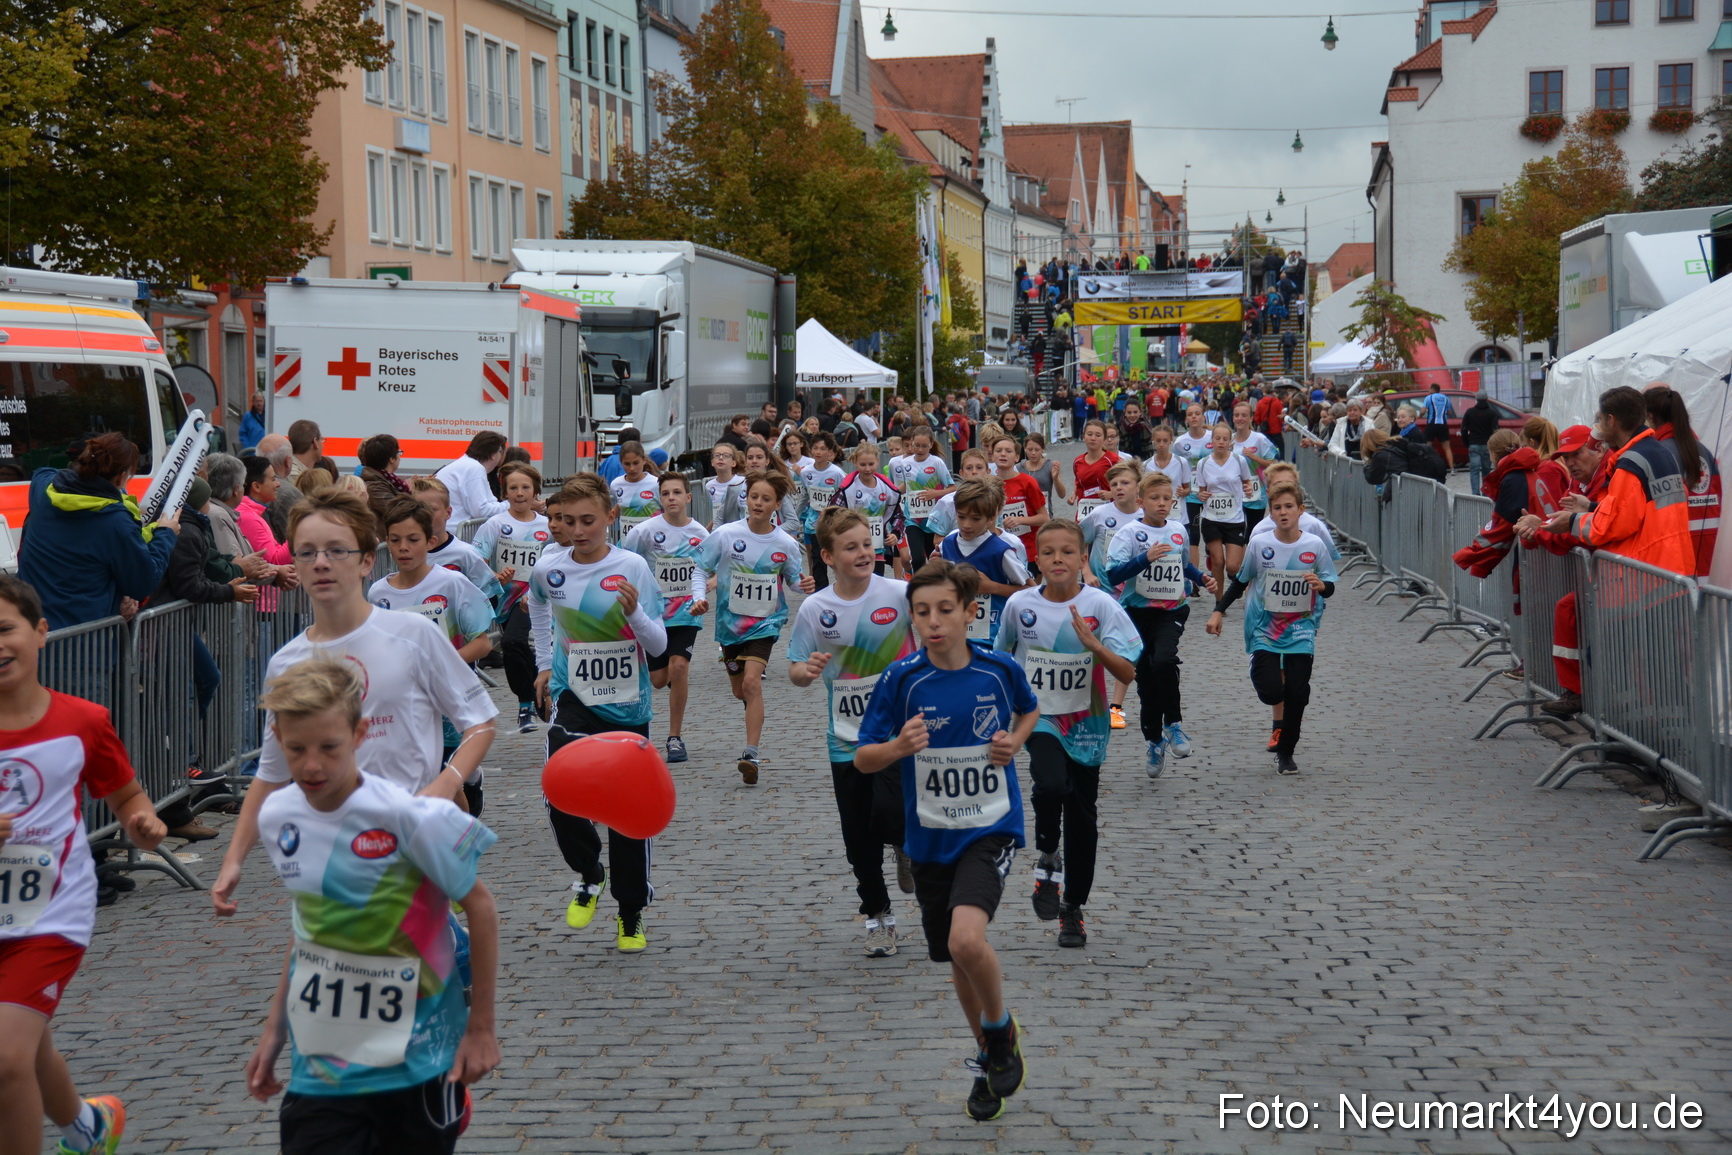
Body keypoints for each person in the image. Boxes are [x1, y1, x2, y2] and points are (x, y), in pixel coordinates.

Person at [244, 658, 501, 1153]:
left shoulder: (407, 815)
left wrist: (482, 1030)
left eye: (329, 747)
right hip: (322, 1065)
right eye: (296, 749)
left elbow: (481, 908)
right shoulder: (277, 816)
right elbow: (308, 928)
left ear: (360, 733)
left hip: (419, 1062)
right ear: (276, 739)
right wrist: (275, 1030)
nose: (312, 764)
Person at [210, 489, 499, 918]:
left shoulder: (413, 635)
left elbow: (481, 723)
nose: (321, 562)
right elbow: (269, 776)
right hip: (332, 856)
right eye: (306, 553)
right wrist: (233, 859)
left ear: (366, 560)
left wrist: (444, 785)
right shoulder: (286, 662)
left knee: (428, 968)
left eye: (336, 550)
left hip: (411, 847)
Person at [853, 559, 1039, 1122]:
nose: (934, 622)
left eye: (945, 610)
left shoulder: (998, 669)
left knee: (965, 940)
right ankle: (987, 1055)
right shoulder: (902, 679)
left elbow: (1029, 711)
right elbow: (863, 757)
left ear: (969, 611)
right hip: (929, 837)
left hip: (990, 826)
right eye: (922, 613)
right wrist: (897, 749)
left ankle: (1000, 1031)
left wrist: (1013, 743)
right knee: (956, 960)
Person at [0, 574, 166, 1155]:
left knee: (6, 1058)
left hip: (51, 911)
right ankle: (88, 1129)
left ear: (40, 633)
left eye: (4, 630)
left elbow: (124, 795)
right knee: (26, 1041)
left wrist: (142, 821)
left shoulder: (83, 720)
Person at [528, 474, 667, 951]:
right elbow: (538, 605)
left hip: (628, 703)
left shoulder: (632, 567)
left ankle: (631, 914)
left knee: (628, 812)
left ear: (611, 517)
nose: (579, 530)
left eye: (589, 520)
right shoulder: (550, 569)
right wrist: (546, 663)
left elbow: (659, 644)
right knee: (557, 788)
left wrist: (634, 616)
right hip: (573, 697)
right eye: (568, 521)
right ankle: (590, 872)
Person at [994, 522, 1140, 951]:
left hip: (1088, 723)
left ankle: (1072, 908)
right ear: (1036, 559)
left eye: (1067, 552)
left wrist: (1095, 646)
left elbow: (1128, 671)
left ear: (1082, 560)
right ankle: (1046, 857)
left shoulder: (1102, 604)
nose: (1058, 559)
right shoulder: (1020, 605)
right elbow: (1000, 659)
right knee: (1050, 782)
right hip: (1038, 717)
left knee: (1082, 816)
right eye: (1049, 552)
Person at [788, 508, 916, 957]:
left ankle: (904, 843)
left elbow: (936, 631)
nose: (864, 553)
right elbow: (795, 668)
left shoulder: (899, 594)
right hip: (845, 737)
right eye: (851, 547)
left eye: (867, 543)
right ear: (827, 556)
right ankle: (878, 914)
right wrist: (808, 670)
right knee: (858, 835)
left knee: (892, 810)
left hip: (899, 733)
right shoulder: (816, 608)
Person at [1533, 387, 1695, 718]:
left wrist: (1573, 521)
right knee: (1665, 667)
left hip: (1645, 578)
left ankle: (1657, 741)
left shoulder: (1631, 463)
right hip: (1672, 570)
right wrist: (1592, 506)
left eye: (1599, 418)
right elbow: (1638, 512)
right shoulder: (1659, 452)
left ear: (1612, 420)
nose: (1597, 426)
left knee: (1651, 670)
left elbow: (1612, 527)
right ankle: (1664, 734)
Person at [369, 496, 496, 811]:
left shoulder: (451, 583)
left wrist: (439, 664)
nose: (404, 548)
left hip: (449, 698)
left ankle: (470, 783)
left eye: (413, 540)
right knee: (433, 777)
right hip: (407, 705)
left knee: (449, 776)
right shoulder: (378, 593)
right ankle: (452, 838)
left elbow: (484, 643)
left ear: (431, 541)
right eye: (395, 540)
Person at [1205, 481, 1337, 775]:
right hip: (1265, 628)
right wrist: (1218, 611)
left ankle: (1287, 753)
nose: (1283, 512)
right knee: (1271, 691)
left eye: (1289, 506)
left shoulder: (1313, 546)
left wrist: (1322, 585)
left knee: (1298, 694)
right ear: (1271, 514)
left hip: (1301, 628)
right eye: (1277, 508)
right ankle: (1258, 669)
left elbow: (1330, 585)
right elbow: (1241, 581)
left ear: (1300, 510)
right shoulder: (1260, 544)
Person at [694, 470, 804, 785]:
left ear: (777, 505)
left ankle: (751, 753)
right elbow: (700, 568)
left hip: (766, 624)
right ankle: (750, 709)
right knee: (739, 689)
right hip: (729, 627)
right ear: (746, 498)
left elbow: (794, 582)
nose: (758, 503)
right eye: (754, 496)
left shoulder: (785, 543)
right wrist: (699, 597)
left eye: (766, 499)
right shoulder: (727, 534)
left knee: (753, 683)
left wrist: (803, 584)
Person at [1104, 471, 1216, 775]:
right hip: (1136, 615)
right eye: (1155, 498)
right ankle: (1154, 742)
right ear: (1141, 502)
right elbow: (1112, 575)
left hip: (1171, 610)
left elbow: (1183, 565)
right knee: (1147, 682)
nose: (1162, 503)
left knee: (1164, 661)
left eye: (1167, 498)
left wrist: (1201, 578)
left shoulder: (1179, 530)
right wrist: (1145, 559)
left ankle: (1174, 725)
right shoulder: (1128, 534)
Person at [18, 432, 179, 631]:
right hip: (85, 644)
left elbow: (44, 472)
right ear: (121, 476)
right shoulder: (115, 522)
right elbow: (143, 582)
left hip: (33, 633)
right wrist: (166, 533)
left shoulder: (43, 489)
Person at [621, 472, 709, 764]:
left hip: (686, 614)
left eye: (676, 492)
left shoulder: (700, 534)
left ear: (688, 497)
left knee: (679, 667)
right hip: (654, 614)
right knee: (659, 679)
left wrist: (704, 591)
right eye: (666, 493)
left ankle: (674, 737)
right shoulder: (645, 531)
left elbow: (714, 568)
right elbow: (623, 562)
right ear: (660, 498)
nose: (671, 498)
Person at [471, 463, 551, 734]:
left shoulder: (547, 526)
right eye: (513, 488)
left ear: (535, 491)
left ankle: (527, 704)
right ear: (504, 492)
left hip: (535, 598)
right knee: (516, 648)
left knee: (513, 641)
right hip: (506, 599)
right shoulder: (496, 524)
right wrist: (495, 576)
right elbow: (476, 560)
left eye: (525, 487)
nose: (519, 493)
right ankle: (535, 696)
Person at [1078, 461, 1142, 728]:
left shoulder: (1145, 516)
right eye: (1114, 484)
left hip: (1132, 594)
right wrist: (1085, 570)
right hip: (1099, 590)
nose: (1118, 488)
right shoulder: (1100, 514)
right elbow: (1079, 540)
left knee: (1123, 650)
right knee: (1091, 647)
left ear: (1138, 486)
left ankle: (1116, 709)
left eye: (1125, 483)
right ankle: (1089, 702)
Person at [940, 480, 1032, 646]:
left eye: (975, 519)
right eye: (961, 517)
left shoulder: (1001, 551)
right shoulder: (947, 544)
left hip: (991, 642)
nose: (967, 524)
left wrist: (992, 587)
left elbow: (1031, 591)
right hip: (954, 639)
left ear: (990, 519)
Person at [1645, 385, 1721, 577]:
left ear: (1651, 417)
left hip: (1680, 551)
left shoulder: (1661, 453)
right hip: (1711, 549)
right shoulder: (1702, 449)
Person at [1195, 422, 1255, 595]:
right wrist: (1202, 496)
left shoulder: (1239, 460)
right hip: (1211, 518)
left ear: (1230, 442)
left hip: (1234, 518)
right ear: (1212, 441)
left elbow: (1247, 481)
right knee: (1218, 561)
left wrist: (1248, 488)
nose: (1221, 442)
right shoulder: (1203, 463)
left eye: (1225, 439)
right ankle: (1219, 602)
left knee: (1232, 566)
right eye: (1217, 438)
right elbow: (1201, 492)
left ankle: (1238, 579)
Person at [833, 443, 902, 574]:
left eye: (871, 464)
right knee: (857, 587)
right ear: (855, 463)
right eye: (863, 465)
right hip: (853, 547)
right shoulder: (847, 488)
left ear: (878, 461)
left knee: (876, 586)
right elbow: (833, 514)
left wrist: (895, 534)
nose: (867, 469)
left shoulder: (886, 488)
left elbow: (898, 515)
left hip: (877, 547)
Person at [898, 426, 955, 572]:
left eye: (924, 446)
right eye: (917, 445)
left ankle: (935, 586)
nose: (920, 449)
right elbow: (907, 485)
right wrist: (893, 493)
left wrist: (935, 494)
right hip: (913, 518)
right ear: (911, 443)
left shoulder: (937, 463)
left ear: (931, 444)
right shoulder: (905, 463)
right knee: (916, 559)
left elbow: (952, 488)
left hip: (932, 519)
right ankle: (918, 588)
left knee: (933, 558)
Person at [798, 433, 848, 591]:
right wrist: (795, 515)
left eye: (823, 449)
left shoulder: (837, 473)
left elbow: (846, 498)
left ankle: (844, 588)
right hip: (814, 525)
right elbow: (805, 496)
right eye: (815, 448)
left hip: (833, 526)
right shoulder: (806, 472)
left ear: (830, 452)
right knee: (818, 561)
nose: (818, 452)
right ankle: (820, 593)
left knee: (836, 559)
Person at [434, 432, 511, 524]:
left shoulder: (468, 466)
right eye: (501, 452)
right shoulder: (474, 468)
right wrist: (512, 505)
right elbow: (481, 510)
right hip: (457, 532)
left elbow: (489, 503)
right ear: (493, 455)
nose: (502, 457)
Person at [1230, 401, 1279, 534]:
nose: (1240, 418)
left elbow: (1274, 463)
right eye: (1237, 415)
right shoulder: (1229, 440)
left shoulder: (1259, 439)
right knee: (1237, 532)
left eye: (1244, 415)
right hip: (1234, 492)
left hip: (1257, 493)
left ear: (1251, 418)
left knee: (1253, 531)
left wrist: (1254, 457)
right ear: (1233, 418)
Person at [608, 441, 663, 538]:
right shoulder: (616, 484)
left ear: (644, 460)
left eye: (636, 463)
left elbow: (668, 511)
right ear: (621, 462)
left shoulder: (656, 483)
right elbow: (622, 504)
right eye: (627, 464)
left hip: (652, 542)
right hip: (627, 543)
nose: (632, 468)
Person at [359, 434, 411, 532]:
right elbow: (398, 511)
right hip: (383, 543)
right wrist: (415, 493)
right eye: (398, 453)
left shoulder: (387, 479)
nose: (400, 457)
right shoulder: (375, 485)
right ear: (391, 459)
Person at [1070, 421, 1120, 520]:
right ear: (1083, 437)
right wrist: (1074, 494)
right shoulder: (1078, 461)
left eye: (1098, 435)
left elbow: (1128, 484)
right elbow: (1079, 483)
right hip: (1084, 514)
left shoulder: (1113, 460)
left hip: (1108, 514)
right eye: (1089, 434)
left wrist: (1111, 494)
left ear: (1104, 439)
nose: (1093, 438)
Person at [1461, 394, 1499, 492]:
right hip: (1487, 446)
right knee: (1486, 471)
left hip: (1474, 444)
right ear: (1486, 399)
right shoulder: (1491, 413)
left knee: (1474, 470)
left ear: (1476, 399)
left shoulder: (1470, 412)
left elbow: (1463, 429)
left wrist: (1467, 443)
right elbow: (1495, 431)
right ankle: (1485, 492)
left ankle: (1475, 493)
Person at [706, 442, 746, 529]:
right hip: (718, 529)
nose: (721, 458)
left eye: (726, 456)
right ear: (712, 462)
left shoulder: (742, 482)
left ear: (733, 463)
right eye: (717, 455)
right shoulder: (709, 486)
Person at [1420, 383, 1454, 470]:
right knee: (1447, 448)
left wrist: (1418, 416)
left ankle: (1427, 467)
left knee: (1428, 446)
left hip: (1432, 424)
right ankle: (1452, 468)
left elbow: (1423, 411)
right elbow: (1450, 412)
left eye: (1429, 389)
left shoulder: (1429, 398)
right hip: (1443, 424)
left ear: (1433, 389)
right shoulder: (1446, 398)